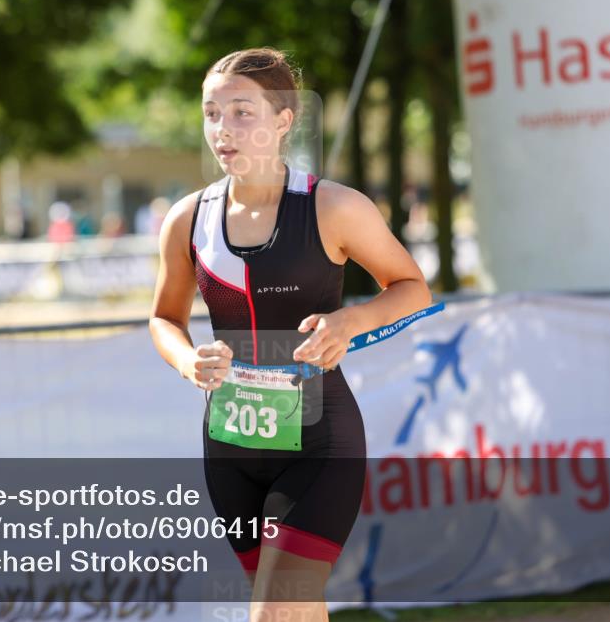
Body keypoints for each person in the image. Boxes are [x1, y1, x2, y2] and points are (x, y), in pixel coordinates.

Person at [149, 47, 431, 622]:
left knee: (274, 612)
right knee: (294, 612)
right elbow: (164, 319)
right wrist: (186, 362)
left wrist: (349, 321)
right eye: (211, 113)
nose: (223, 129)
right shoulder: (188, 219)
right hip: (230, 447)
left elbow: (411, 286)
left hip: (319, 441)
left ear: (284, 121)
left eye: (242, 113)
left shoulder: (334, 206)